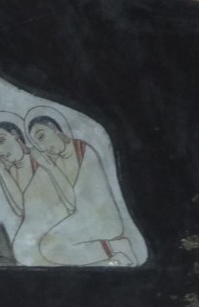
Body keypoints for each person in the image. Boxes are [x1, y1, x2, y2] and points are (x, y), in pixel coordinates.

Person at [23, 107, 133, 266]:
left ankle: (118, 248)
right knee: (45, 246)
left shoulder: (83, 151)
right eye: (37, 143)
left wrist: (51, 169)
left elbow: (74, 203)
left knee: (50, 248)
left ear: (55, 130)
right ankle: (113, 252)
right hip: (83, 218)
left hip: (105, 220)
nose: (43, 147)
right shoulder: (58, 160)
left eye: (41, 137)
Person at [0, 112, 69, 265]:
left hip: (56, 232)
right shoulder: (13, 171)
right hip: (31, 240)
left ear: (16, 136)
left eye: (1, 141)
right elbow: (19, 211)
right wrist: (2, 172)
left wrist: (2, 171)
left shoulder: (41, 161)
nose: (0, 152)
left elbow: (29, 207)